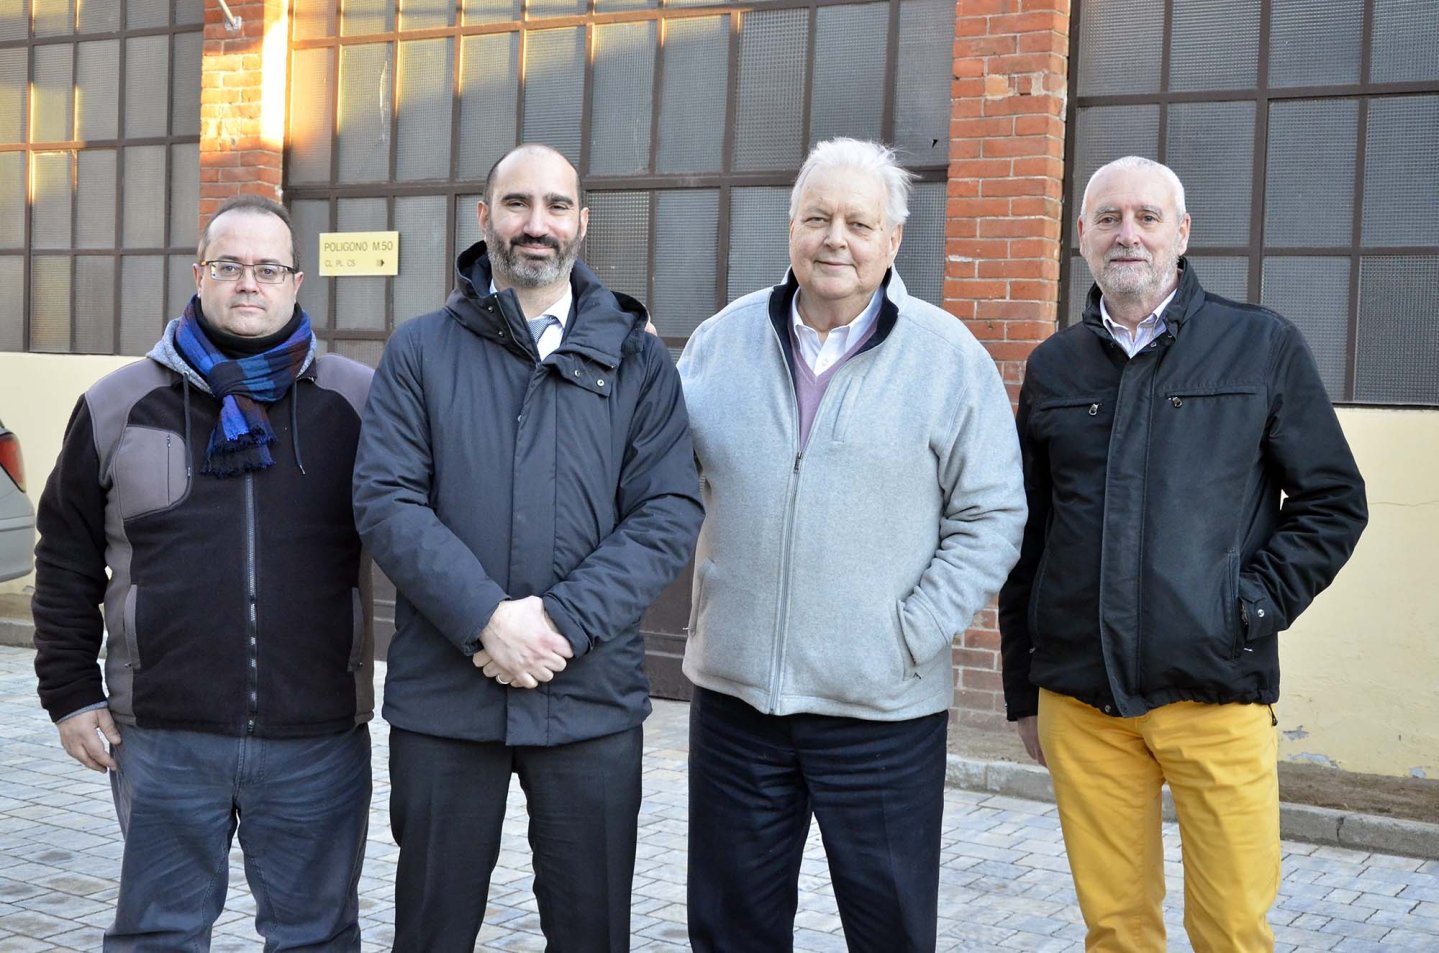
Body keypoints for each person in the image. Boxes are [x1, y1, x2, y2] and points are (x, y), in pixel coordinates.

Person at [998, 156, 1368, 952]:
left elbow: (1333, 501)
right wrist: (1021, 684)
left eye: (1146, 216)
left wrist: (1247, 606)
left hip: (1214, 693)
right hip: (1080, 700)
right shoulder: (1054, 367)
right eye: (1107, 218)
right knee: (1116, 930)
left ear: (1181, 233)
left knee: (1232, 928)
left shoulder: (1258, 345)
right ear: (1081, 238)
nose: (1126, 233)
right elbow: (1027, 534)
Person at [677, 138, 1027, 952]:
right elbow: (661, 483)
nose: (835, 238)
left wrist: (904, 634)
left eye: (858, 222)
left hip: (879, 709)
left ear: (893, 239)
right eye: (817, 217)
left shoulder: (946, 359)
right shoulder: (721, 341)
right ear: (790, 227)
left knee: (890, 930)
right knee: (730, 930)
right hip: (735, 705)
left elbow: (992, 515)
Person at [352, 143, 702, 953]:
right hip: (447, 698)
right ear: (484, 219)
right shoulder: (419, 351)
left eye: (554, 206)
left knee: (591, 931)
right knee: (432, 929)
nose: (534, 224)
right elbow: (386, 499)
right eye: (516, 204)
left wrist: (556, 624)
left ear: (582, 221)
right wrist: (484, 618)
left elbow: (666, 511)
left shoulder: (639, 360)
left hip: (587, 699)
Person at [32, 194, 375, 951]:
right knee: (160, 934)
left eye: (267, 267)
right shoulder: (117, 404)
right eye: (229, 265)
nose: (247, 282)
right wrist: (69, 692)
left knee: (317, 936)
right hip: (162, 737)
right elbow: (64, 554)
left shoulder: (359, 402)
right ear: (198, 273)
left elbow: (424, 530)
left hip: (315, 738)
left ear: (296, 281)